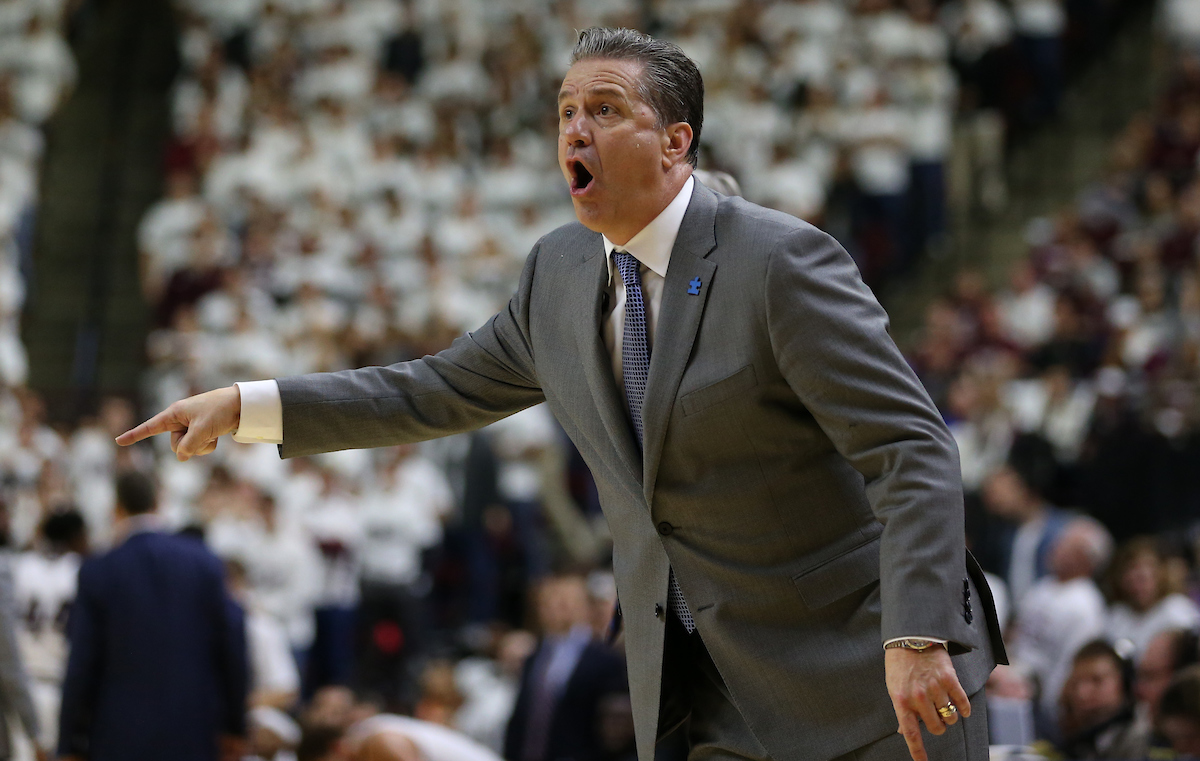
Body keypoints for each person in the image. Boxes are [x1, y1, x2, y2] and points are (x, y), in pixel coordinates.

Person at [119, 28, 1006, 761]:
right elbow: (435, 387)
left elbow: (912, 447)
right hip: (709, 697)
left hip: (866, 675)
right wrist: (250, 404)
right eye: (566, 112)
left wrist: (919, 632)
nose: (575, 129)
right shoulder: (559, 271)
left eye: (606, 110)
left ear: (675, 142)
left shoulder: (778, 262)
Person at [57, 471, 249, 761]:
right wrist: (235, 726)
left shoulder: (99, 570)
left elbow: (82, 661)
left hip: (118, 734)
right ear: (159, 503)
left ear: (117, 509)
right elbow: (232, 646)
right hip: (193, 728)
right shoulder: (205, 561)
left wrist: (69, 742)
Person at [503, 573, 627, 761]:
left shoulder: (605, 659)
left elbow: (613, 727)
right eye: (547, 602)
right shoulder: (534, 656)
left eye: (564, 602)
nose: (555, 608)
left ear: (584, 606)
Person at [1056, 640, 1150, 759]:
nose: (1082, 693)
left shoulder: (1142, 737)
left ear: (1125, 684)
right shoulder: (1071, 737)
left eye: (1097, 680)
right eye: (1076, 683)